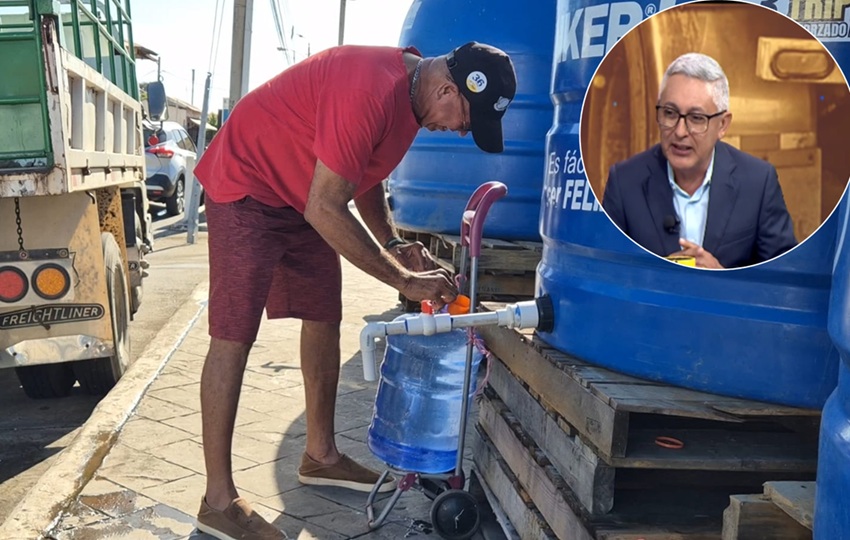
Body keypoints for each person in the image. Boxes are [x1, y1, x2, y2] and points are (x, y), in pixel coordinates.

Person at [192, 41, 517, 540]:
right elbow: (327, 207)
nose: (457, 131)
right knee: (233, 333)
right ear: (449, 88)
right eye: (464, 121)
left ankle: (320, 456)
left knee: (324, 313)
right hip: (248, 185)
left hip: (302, 194)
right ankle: (217, 500)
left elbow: (362, 177)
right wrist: (402, 279)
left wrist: (392, 244)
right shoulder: (369, 87)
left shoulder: (412, 103)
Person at [602, 52, 796, 269]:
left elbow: (783, 281)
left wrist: (721, 278)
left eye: (696, 118)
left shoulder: (758, 182)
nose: (680, 131)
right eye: (670, 113)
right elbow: (605, 272)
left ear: (722, 125)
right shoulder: (624, 182)